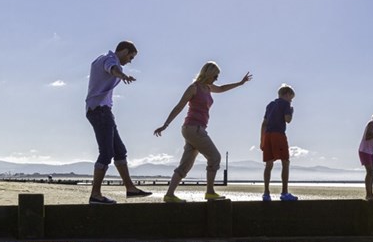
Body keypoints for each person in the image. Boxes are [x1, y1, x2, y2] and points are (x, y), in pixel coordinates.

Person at [154, 62, 252, 203]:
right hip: (194, 129)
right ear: (208, 74)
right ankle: (210, 192)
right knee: (215, 157)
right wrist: (165, 125)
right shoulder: (194, 88)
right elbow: (179, 106)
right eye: (215, 76)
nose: (216, 79)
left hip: (195, 130)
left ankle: (169, 195)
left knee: (185, 165)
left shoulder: (208, 88)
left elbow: (223, 88)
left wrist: (240, 83)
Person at [85, 41, 152, 204]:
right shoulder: (110, 59)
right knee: (106, 153)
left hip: (102, 110)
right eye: (131, 56)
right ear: (124, 51)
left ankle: (130, 188)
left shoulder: (101, 58)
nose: (130, 61)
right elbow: (112, 68)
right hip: (99, 110)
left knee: (120, 151)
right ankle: (95, 194)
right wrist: (122, 76)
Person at [261, 84, 297, 201]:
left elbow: (264, 123)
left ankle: (266, 193)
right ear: (286, 95)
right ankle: (284, 192)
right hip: (278, 135)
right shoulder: (285, 104)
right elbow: (288, 120)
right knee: (285, 162)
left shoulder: (270, 105)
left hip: (268, 136)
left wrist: (262, 140)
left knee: (268, 165)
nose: (291, 101)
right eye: (291, 98)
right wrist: (291, 112)